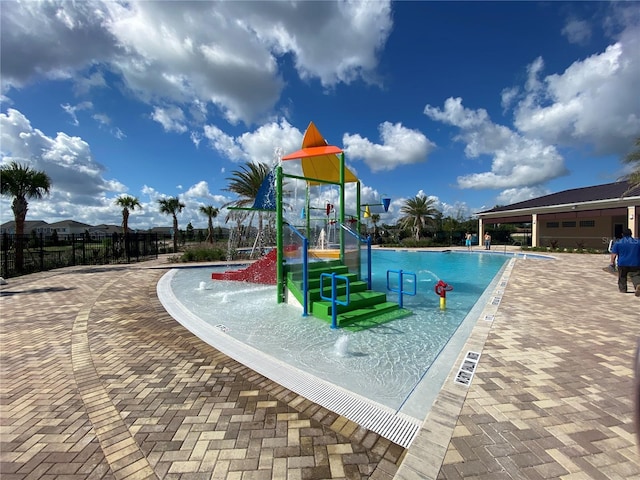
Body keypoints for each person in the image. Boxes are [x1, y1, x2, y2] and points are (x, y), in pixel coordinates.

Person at [609, 228, 640, 296]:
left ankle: (623, 289)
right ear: (631, 234)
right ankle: (638, 285)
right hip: (635, 263)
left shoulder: (618, 242)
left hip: (622, 263)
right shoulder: (638, 242)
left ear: (622, 234)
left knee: (622, 276)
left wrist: (612, 263)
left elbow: (614, 254)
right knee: (635, 275)